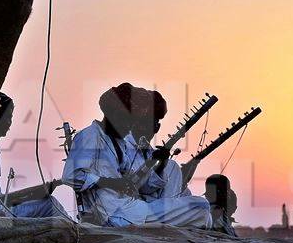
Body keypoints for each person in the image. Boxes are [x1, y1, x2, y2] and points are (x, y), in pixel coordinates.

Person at [63, 83, 235, 233]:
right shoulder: (89, 136)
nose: (130, 127)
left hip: (133, 210)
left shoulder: (118, 143)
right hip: (115, 215)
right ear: (114, 116)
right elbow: (70, 177)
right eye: (127, 122)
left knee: (198, 206)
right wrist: (112, 182)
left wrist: (159, 164)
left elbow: (141, 185)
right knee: (201, 207)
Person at [0, 93, 65, 218]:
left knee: (46, 200)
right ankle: (81, 235)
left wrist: (31, 194)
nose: (10, 122)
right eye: (8, 116)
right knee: (50, 205)